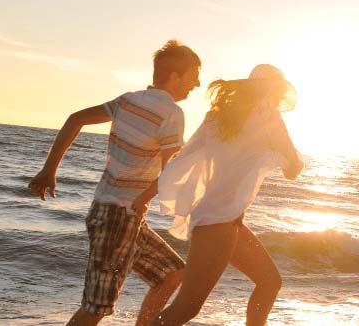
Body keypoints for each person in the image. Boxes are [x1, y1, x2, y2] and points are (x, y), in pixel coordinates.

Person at [27, 40, 201, 326]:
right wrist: (144, 199)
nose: (196, 84)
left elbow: (75, 119)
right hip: (119, 215)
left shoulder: (128, 100)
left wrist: (49, 169)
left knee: (171, 273)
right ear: (174, 75)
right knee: (96, 307)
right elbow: (172, 170)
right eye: (193, 75)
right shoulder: (171, 113)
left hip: (120, 214)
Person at [152, 64, 304, 326]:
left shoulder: (216, 117)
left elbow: (181, 159)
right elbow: (293, 168)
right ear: (274, 90)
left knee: (269, 282)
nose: (279, 99)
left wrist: (146, 195)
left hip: (223, 221)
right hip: (218, 224)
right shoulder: (270, 118)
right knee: (187, 308)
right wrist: (289, 160)